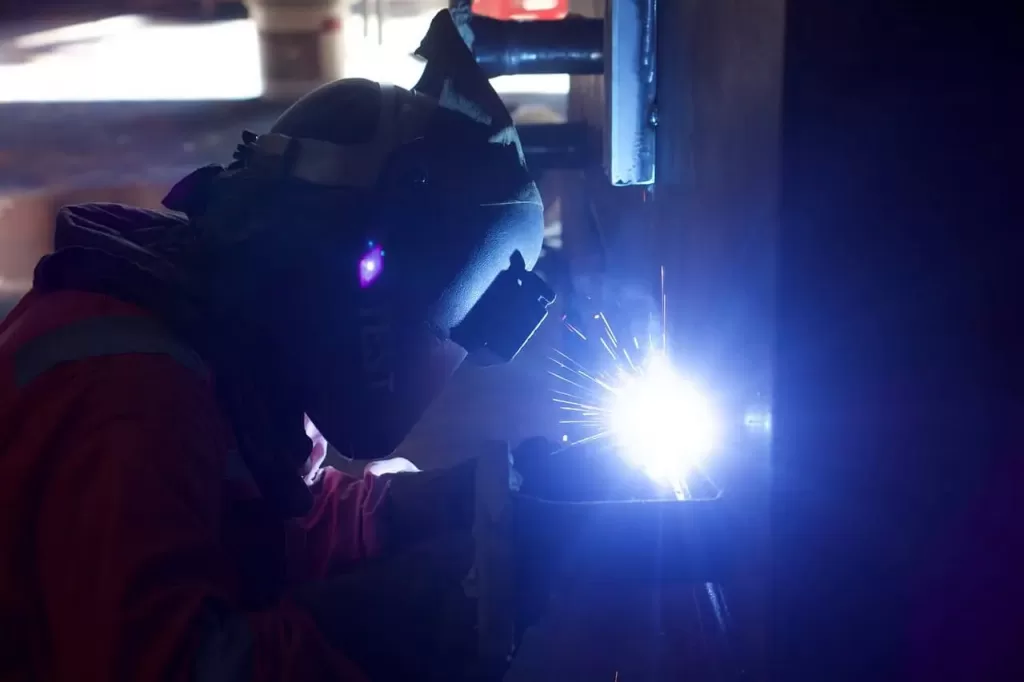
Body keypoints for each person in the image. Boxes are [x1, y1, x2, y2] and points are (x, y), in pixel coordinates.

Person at [0, 10, 552, 682]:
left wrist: (466, 502)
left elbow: (274, 529)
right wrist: (431, 607)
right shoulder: (133, 398)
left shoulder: (213, 349)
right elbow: (176, 669)